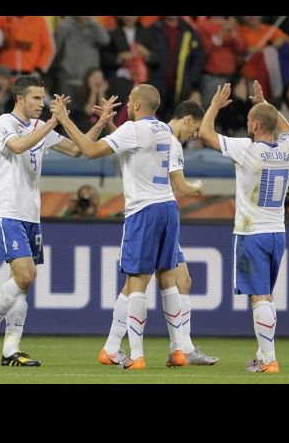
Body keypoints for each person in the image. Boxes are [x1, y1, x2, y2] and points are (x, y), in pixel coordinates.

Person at [0, 75, 113, 367]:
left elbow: (78, 149)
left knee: (22, 284)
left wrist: (101, 123)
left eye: (44, 98)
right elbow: (18, 147)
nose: (42, 103)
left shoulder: (41, 127)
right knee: (26, 275)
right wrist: (54, 121)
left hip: (31, 215)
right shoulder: (5, 123)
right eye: (37, 98)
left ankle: (11, 350)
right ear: (20, 99)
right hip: (7, 211)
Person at [51, 84, 182, 370]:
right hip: (168, 208)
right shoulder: (165, 131)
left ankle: (136, 356)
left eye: (129, 102)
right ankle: (177, 348)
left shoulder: (132, 130)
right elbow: (136, 149)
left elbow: (89, 150)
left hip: (143, 211)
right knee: (165, 277)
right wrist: (111, 124)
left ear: (136, 106)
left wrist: (64, 119)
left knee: (136, 281)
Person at [96, 100, 220, 367]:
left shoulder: (157, 134)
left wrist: (109, 126)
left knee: (174, 280)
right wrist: (195, 188)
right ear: (187, 119)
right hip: (160, 212)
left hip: (156, 213)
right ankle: (156, 348)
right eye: (196, 128)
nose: (195, 135)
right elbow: (180, 185)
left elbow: (135, 144)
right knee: (153, 281)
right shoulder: (169, 138)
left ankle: (178, 347)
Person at [197, 80, 289, 374]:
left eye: (251, 120)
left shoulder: (246, 149)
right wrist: (266, 104)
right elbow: (287, 129)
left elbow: (204, 134)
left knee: (259, 296)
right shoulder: (288, 150)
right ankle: (265, 355)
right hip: (278, 233)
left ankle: (268, 359)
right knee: (266, 295)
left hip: (251, 234)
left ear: (253, 125)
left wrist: (214, 105)